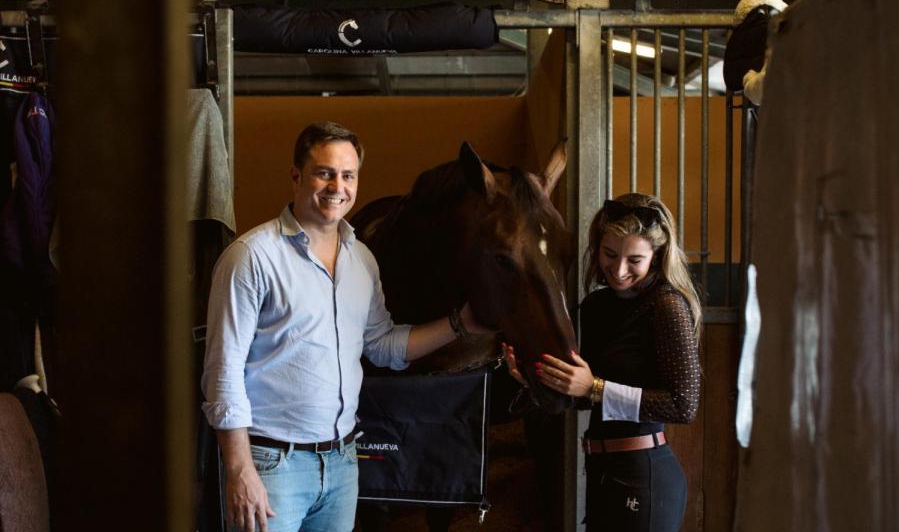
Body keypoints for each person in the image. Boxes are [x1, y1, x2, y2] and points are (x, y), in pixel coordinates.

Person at [201, 121, 485, 532]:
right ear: (297, 176)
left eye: (348, 175)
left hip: (341, 463)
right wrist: (240, 469)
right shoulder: (251, 257)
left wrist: (462, 323)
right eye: (325, 172)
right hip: (271, 465)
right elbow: (222, 374)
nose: (338, 186)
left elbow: (384, 345)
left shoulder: (362, 261)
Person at [505, 192, 701, 532]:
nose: (619, 269)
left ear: (657, 257)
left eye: (635, 260)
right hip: (600, 470)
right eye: (610, 254)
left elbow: (683, 405)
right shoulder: (595, 307)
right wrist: (534, 379)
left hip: (645, 472)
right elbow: (580, 398)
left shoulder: (668, 306)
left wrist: (595, 387)